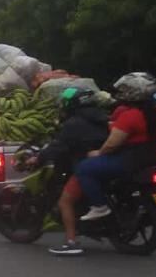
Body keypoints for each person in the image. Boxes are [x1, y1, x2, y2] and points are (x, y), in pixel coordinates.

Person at [73, 72, 156, 223]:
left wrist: (98, 153)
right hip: (152, 156)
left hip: (130, 159)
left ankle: (99, 206)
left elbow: (111, 145)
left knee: (84, 168)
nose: (122, 93)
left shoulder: (129, 116)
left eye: (125, 89)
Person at [39, 88, 110, 257]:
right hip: (106, 164)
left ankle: (71, 242)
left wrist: (38, 158)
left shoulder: (74, 124)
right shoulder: (103, 119)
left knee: (65, 201)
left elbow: (58, 146)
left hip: (86, 166)